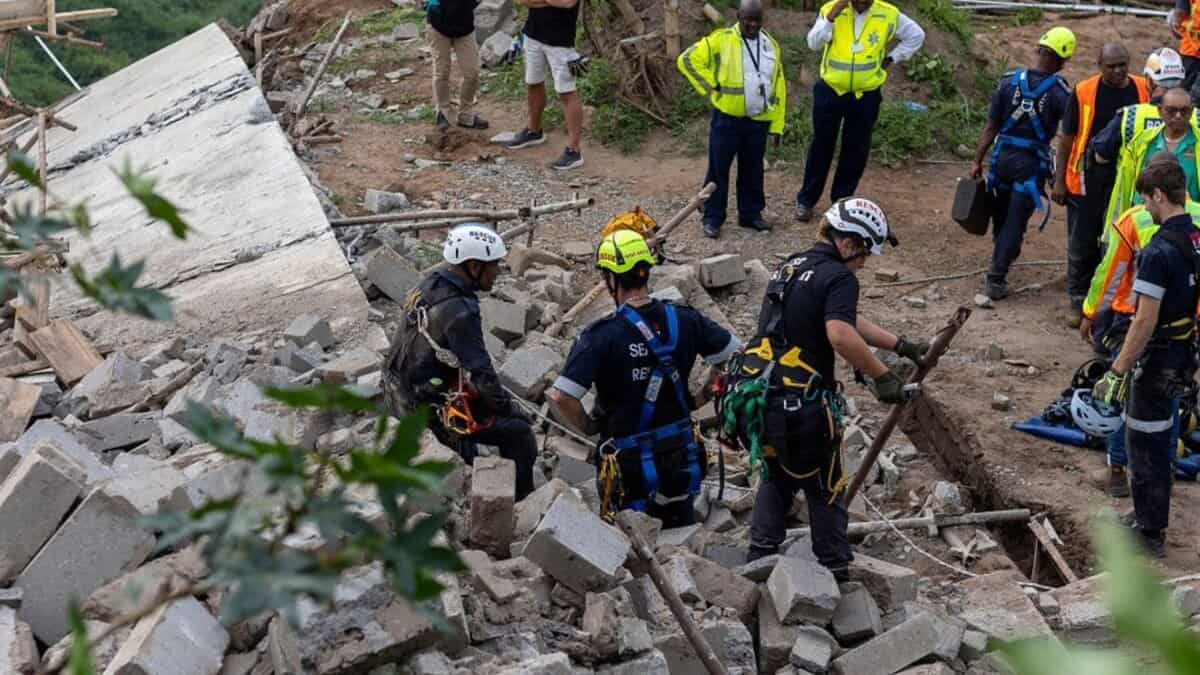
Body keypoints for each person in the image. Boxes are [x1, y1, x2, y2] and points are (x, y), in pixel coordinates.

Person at [742, 198, 929, 580]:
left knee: (776, 477)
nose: (864, 262)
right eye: (864, 252)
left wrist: (899, 344)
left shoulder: (792, 266)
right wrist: (882, 378)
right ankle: (836, 575)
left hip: (766, 399)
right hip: (805, 408)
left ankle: (757, 565)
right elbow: (840, 333)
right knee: (825, 485)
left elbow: (844, 318)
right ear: (847, 242)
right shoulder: (841, 277)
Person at [546, 230, 740, 526]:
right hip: (682, 455)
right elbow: (735, 358)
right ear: (646, 271)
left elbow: (561, 396)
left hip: (628, 465)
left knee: (632, 545)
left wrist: (589, 427)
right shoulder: (685, 319)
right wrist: (700, 397)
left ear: (611, 279)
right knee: (681, 537)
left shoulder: (601, 335)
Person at [1092, 155, 1200, 558]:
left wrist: (1117, 371)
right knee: (1161, 437)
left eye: (1147, 201)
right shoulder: (1195, 238)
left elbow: (1144, 321)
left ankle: (1150, 534)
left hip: (1157, 359)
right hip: (1183, 350)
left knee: (1145, 442)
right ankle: (1146, 517)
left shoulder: (1158, 251)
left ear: (1158, 195)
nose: (1145, 210)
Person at [382, 224, 536, 499]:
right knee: (520, 434)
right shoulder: (460, 311)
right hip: (424, 407)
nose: (497, 272)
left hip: (398, 389)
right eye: (493, 265)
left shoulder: (429, 282)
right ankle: (521, 505)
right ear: (474, 266)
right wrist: (510, 409)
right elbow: (482, 372)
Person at [794, 0, 924, 222]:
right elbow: (813, 44)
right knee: (821, 145)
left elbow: (916, 35)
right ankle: (806, 201)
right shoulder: (831, 9)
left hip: (866, 94)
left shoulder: (889, 14)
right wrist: (832, 16)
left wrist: (893, 57)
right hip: (831, 90)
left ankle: (841, 201)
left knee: (856, 148)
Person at [970, 27, 1075, 301]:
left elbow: (991, 126)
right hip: (1029, 167)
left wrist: (976, 161)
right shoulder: (1060, 93)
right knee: (1015, 222)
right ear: (1061, 60)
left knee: (1001, 214)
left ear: (1039, 50)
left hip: (1001, 161)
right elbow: (1069, 133)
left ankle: (999, 259)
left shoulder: (1008, 82)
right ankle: (996, 277)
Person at [1052, 44, 1150, 329]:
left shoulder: (1143, 88)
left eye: (1123, 64)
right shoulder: (1083, 91)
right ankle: (1077, 298)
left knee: (1118, 238)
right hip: (1088, 177)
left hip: (1126, 177)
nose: (1119, 71)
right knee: (1082, 239)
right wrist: (1059, 180)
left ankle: (1110, 301)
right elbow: (1067, 138)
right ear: (1099, 65)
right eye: (1112, 66)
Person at [678, 0, 786, 239]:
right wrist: (711, 86)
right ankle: (713, 218)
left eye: (757, 19)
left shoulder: (771, 45)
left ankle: (750, 215)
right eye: (747, 18)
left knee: (753, 169)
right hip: (726, 119)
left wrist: (777, 125)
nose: (752, 24)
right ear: (738, 16)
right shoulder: (722, 38)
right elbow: (687, 59)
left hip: (758, 120)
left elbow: (778, 87)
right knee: (718, 171)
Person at [1103, 88, 1200, 232]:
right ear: (1160, 111)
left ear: (1192, 112)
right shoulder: (1141, 143)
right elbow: (1124, 188)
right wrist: (1115, 230)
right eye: (1171, 110)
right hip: (1144, 226)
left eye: (1184, 111)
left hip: (1189, 226)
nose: (1178, 116)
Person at [505, 0, 585, 170]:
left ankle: (574, 150)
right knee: (533, 83)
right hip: (533, 34)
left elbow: (567, 3)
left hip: (560, 41)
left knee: (567, 92)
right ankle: (534, 131)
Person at [425, 0, 489, 131]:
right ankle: (443, 113)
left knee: (472, 72)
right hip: (438, 25)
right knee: (441, 71)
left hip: (464, 27)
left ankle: (465, 115)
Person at [1169, 0, 1200, 93]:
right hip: (1191, 49)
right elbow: (1180, 9)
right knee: (1184, 90)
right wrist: (1175, 21)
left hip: (1191, 49)